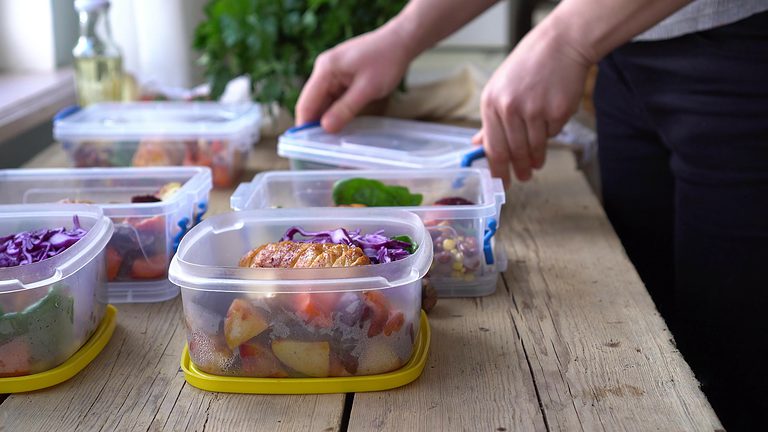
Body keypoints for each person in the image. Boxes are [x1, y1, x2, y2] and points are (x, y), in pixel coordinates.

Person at [295, 0, 768, 429]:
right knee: (662, 331)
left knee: (736, 359)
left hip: (743, 53)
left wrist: (566, 36)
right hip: (622, 53)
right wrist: (403, 35)